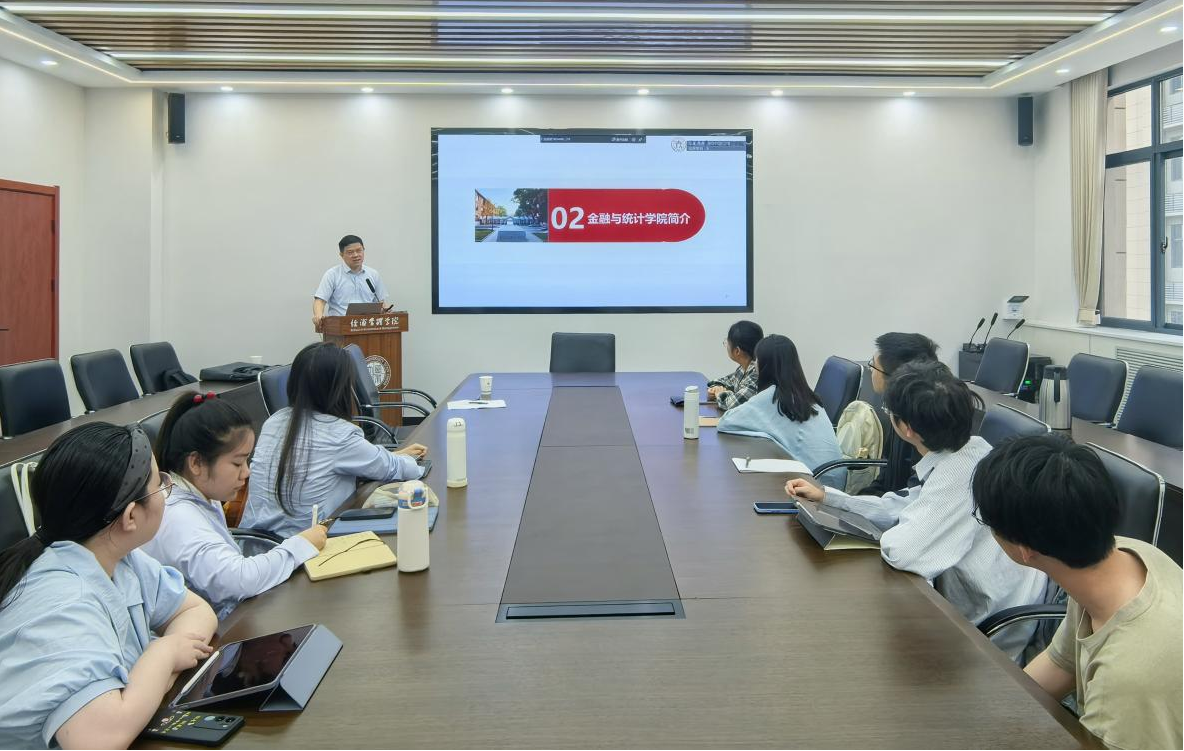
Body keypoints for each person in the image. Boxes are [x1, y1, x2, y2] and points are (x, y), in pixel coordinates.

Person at [786, 361, 1046, 658]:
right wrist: (829, 498)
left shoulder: (959, 474)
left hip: (991, 632)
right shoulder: (970, 449)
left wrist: (891, 528)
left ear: (907, 428)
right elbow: (906, 505)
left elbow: (903, 551)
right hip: (969, 607)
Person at [0, 424, 217, 749]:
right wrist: (163, 655)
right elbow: (97, 741)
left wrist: (143, 687)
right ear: (130, 516)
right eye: (159, 484)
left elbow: (197, 611)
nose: (165, 489)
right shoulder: (63, 602)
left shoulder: (115, 555)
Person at [972, 435, 1182, 749]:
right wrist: (990, 722)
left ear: (1025, 548)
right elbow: (1062, 663)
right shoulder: (1119, 557)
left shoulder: (1127, 677)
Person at [141, 392, 328, 620]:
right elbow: (239, 581)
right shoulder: (179, 517)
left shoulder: (202, 492)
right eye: (238, 463)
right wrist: (300, 546)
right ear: (196, 463)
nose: (246, 472)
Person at [241, 342, 428, 538]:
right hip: (307, 546)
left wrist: (392, 455)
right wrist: (410, 461)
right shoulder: (339, 434)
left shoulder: (273, 422)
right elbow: (398, 469)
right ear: (339, 388)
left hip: (255, 542)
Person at [718, 335, 845, 489]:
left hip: (813, 483)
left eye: (757, 360)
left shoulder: (772, 396)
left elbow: (725, 422)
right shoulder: (809, 396)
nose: (754, 364)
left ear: (764, 365)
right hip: (835, 480)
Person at [861, 332, 938, 495]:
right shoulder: (897, 413)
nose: (870, 370)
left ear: (894, 378)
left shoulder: (922, 428)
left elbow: (908, 499)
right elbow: (886, 477)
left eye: (873, 365)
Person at [312, 234, 391, 331]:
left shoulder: (373, 274)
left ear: (363, 250)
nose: (356, 255)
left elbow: (380, 302)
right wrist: (318, 315)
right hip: (340, 329)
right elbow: (320, 301)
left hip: (368, 328)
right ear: (341, 255)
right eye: (350, 252)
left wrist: (385, 309)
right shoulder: (332, 275)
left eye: (359, 250)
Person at [707, 320, 763, 412]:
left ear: (737, 351)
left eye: (727, 343)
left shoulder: (756, 374)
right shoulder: (743, 368)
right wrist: (716, 388)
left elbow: (732, 405)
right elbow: (725, 381)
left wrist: (720, 393)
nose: (726, 346)